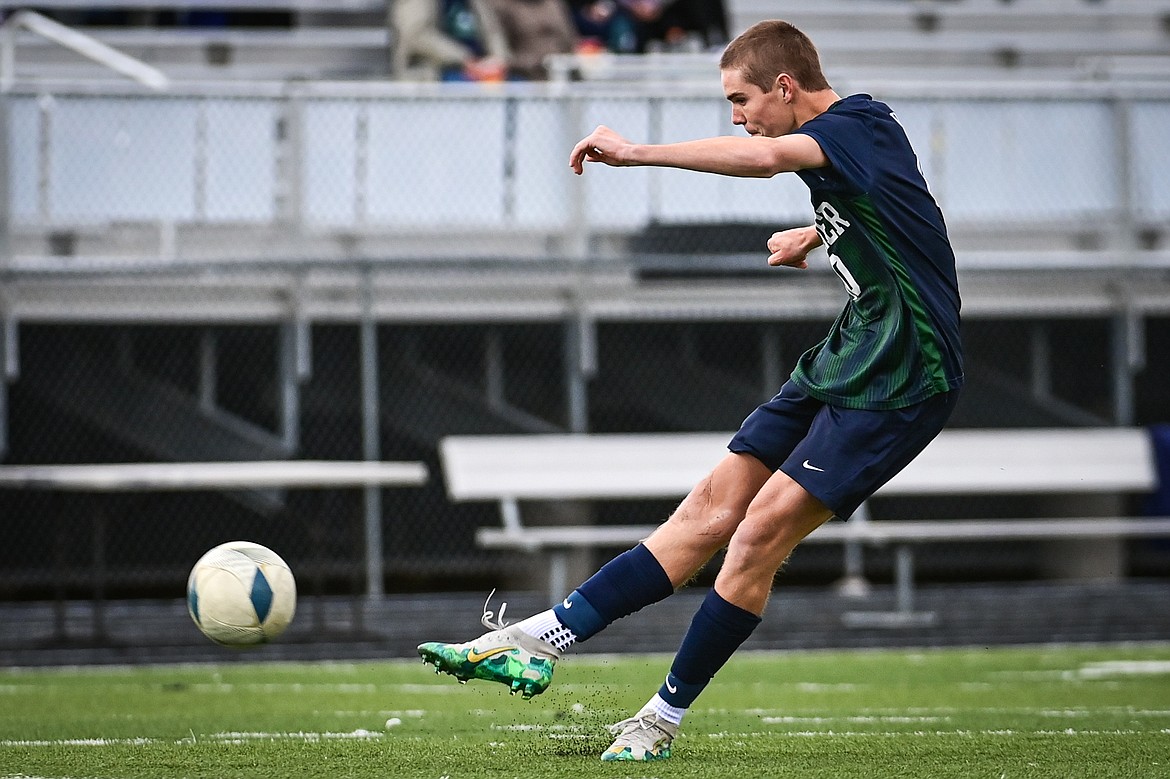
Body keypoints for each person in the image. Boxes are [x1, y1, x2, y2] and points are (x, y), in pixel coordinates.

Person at [418, 18, 964, 762]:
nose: (735, 115)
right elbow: (906, 212)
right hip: (851, 349)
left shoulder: (851, 126)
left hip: (905, 372)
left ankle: (659, 721)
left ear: (785, 86)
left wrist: (637, 152)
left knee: (759, 530)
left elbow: (770, 155)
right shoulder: (853, 146)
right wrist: (819, 232)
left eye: (741, 98)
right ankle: (541, 638)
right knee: (709, 509)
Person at [479, 0, 580, 80]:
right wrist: (539, 62)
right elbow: (500, 55)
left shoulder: (554, 4)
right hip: (524, 80)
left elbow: (570, 40)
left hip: (564, 74)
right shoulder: (499, 6)